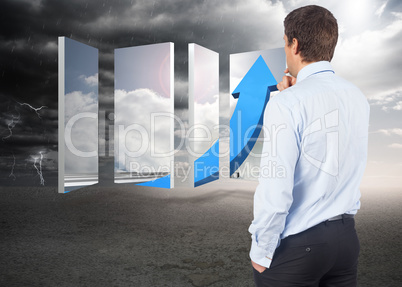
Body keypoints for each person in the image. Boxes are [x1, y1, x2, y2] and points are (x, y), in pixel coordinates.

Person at [249, 5, 370, 287]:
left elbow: (276, 186)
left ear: (295, 44)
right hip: (346, 241)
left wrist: (262, 250)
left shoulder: (286, 103)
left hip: (299, 247)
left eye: (285, 43)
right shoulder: (357, 97)